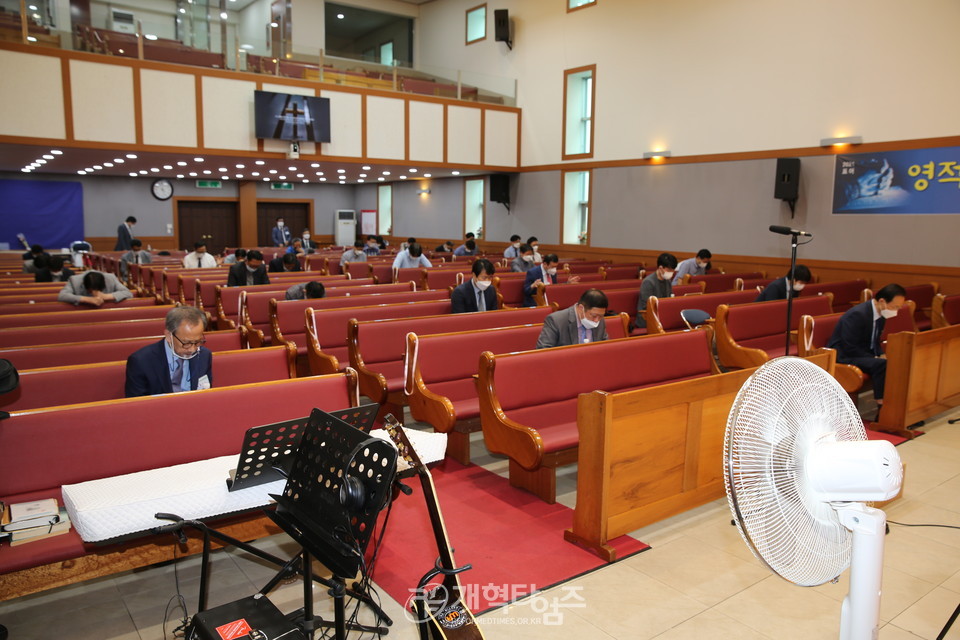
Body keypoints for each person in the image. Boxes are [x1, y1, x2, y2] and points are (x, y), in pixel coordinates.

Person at [827, 284, 907, 410]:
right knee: (881, 365)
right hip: (844, 355)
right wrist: (875, 357)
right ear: (882, 301)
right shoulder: (858, 314)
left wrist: (880, 353)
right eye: (895, 307)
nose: (895, 311)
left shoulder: (881, 313)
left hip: (861, 353)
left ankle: (896, 404)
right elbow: (849, 346)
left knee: (893, 361)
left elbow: (875, 339)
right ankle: (882, 407)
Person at [125, 306, 213, 397]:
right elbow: (136, 404)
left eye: (198, 342)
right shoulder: (141, 361)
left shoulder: (204, 355)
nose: (192, 349)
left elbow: (205, 393)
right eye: (186, 343)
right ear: (168, 336)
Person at [536, 289, 609, 348]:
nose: (596, 320)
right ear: (581, 308)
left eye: (601, 316)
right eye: (593, 316)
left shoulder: (600, 320)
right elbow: (543, 350)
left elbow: (605, 347)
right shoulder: (556, 320)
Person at [635, 252, 678, 329]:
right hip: (647, 319)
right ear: (660, 268)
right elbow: (647, 306)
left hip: (662, 316)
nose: (671, 272)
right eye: (669, 270)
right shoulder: (648, 282)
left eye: (673, 270)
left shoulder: (667, 281)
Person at [58, 270, 133, 306]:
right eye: (91, 291)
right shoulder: (74, 280)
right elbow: (62, 296)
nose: (94, 294)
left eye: (97, 290)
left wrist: (106, 296)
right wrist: (87, 299)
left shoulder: (110, 278)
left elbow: (128, 293)